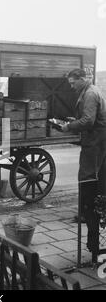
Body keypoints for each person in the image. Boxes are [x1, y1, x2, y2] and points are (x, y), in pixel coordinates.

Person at [61, 68, 106, 256]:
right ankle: (90, 217)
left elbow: (88, 121)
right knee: (93, 181)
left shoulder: (89, 94)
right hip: (96, 143)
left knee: (89, 182)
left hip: (95, 145)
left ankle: (90, 216)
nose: (71, 86)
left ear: (81, 79)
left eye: (73, 82)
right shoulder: (91, 91)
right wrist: (75, 120)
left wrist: (69, 126)